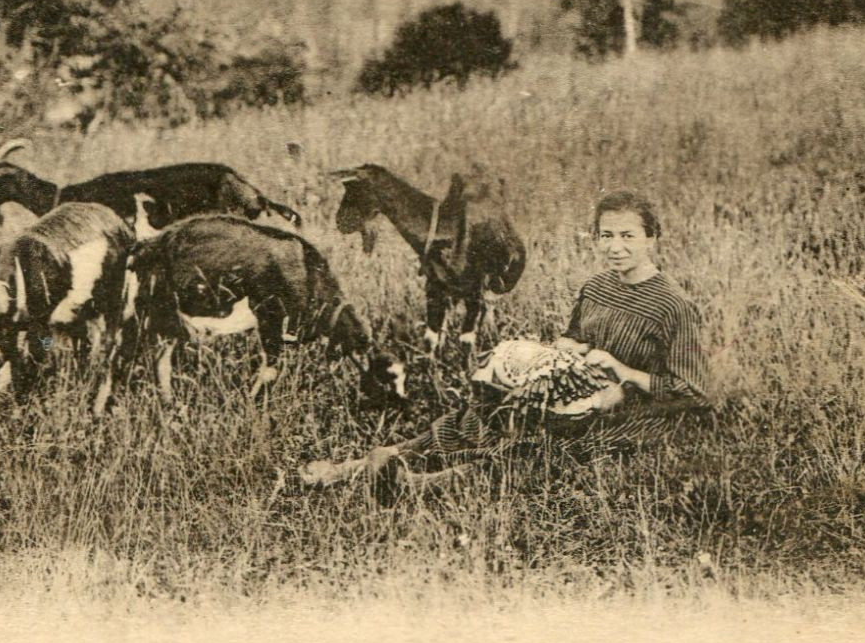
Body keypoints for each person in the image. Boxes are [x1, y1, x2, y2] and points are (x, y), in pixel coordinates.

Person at [300, 190, 711, 492]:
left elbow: (692, 392)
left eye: (628, 236)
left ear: (651, 238)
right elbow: (573, 338)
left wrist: (622, 373)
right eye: (607, 236)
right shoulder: (597, 286)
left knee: (537, 450)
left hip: (630, 416)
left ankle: (416, 485)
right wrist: (565, 353)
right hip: (577, 394)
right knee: (489, 411)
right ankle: (360, 466)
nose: (616, 247)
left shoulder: (673, 305)